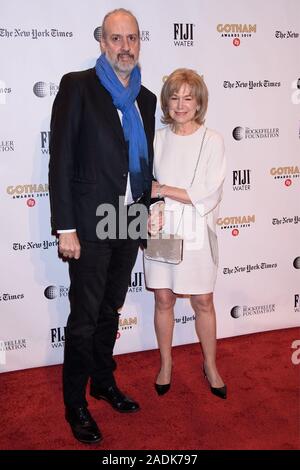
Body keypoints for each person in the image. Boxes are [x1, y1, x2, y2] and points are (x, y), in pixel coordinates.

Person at [49, 8, 156, 444]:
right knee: (83, 318)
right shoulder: (78, 87)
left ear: (139, 42)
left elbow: (144, 165)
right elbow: (61, 161)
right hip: (90, 223)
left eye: (131, 38)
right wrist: (65, 227)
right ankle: (75, 402)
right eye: (116, 39)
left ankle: (102, 381)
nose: (124, 47)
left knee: (111, 309)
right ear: (101, 41)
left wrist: (150, 208)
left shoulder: (146, 99)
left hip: (129, 218)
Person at [144, 68, 227, 399]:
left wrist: (163, 188)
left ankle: (211, 365)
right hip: (163, 228)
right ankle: (166, 364)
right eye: (174, 97)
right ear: (167, 102)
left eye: (188, 98)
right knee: (163, 298)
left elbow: (208, 192)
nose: (180, 105)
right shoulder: (158, 139)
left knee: (203, 300)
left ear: (199, 102)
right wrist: (150, 206)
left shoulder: (213, 140)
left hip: (197, 231)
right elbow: (143, 186)